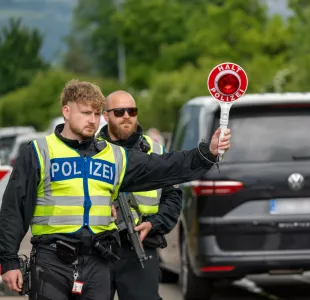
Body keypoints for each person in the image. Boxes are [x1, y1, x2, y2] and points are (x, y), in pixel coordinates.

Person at [0, 79, 231, 300]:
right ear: (66, 111)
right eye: (85, 112)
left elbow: (163, 167)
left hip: (98, 260)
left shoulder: (114, 156)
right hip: (52, 261)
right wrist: (9, 261)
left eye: (97, 114)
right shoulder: (39, 152)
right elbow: (14, 210)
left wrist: (206, 153)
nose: (92, 120)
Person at [98, 90, 181, 300]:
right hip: (96, 251)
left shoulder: (155, 151)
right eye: (119, 111)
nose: (127, 115)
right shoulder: (89, 150)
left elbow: (172, 198)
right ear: (106, 116)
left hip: (140, 247)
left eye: (132, 111)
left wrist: (154, 224)